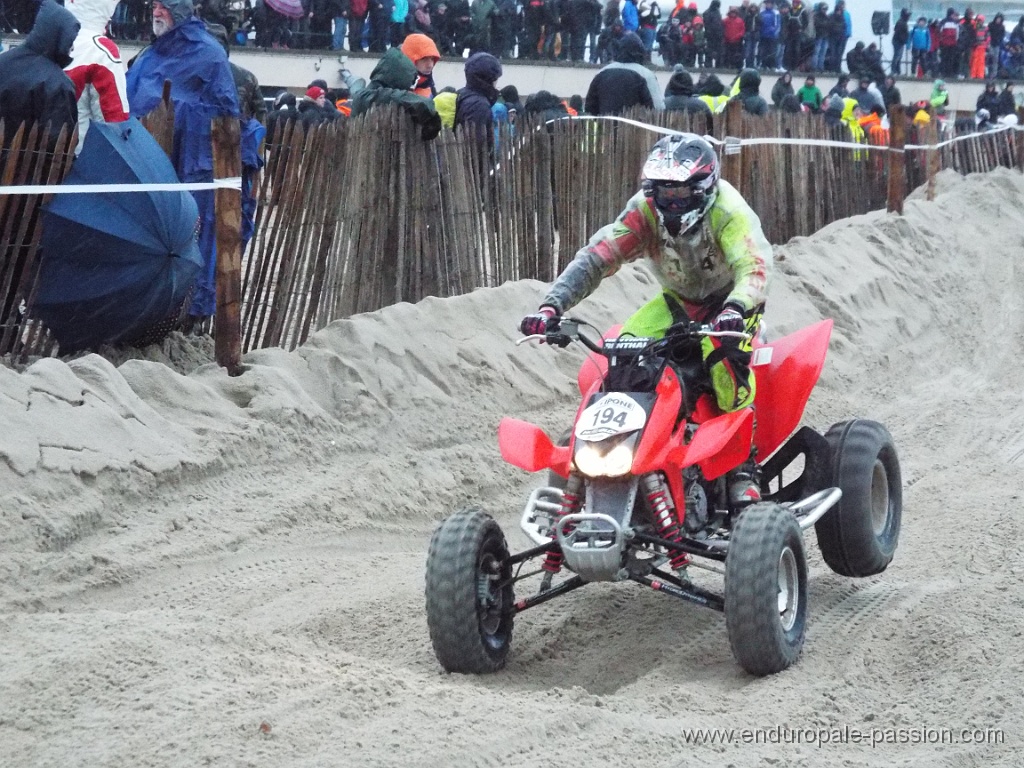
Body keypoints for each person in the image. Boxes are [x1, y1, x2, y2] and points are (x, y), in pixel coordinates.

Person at [518, 133, 772, 547]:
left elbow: (755, 268)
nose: (670, 202)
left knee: (723, 363)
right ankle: (624, 459)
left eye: (679, 192)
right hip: (680, 300)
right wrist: (552, 306)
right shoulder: (644, 213)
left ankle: (744, 469)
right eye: (662, 192)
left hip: (733, 303)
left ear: (703, 188)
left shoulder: (728, 211)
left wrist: (735, 309)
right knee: (623, 352)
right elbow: (599, 256)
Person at [126, 0, 240, 324]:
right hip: (147, 162)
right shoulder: (149, 56)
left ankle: (191, 314)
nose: (156, 11)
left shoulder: (208, 54)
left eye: (164, 6)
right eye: (154, 5)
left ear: (179, 11)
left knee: (193, 237)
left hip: (193, 166)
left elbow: (227, 117)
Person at [0, 0, 78, 147]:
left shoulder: (3, 61)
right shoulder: (58, 84)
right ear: (59, 36)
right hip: (26, 165)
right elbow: (60, 141)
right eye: (71, 40)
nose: (72, 48)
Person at [64, 0, 129, 152]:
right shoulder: (101, 51)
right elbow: (113, 121)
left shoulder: (46, 40)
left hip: (35, 159)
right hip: (80, 160)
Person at [350, 47, 442, 140]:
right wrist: (427, 111)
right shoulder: (363, 97)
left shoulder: (369, 95)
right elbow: (392, 96)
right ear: (399, 78)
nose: (410, 86)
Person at [584, 30, 663, 114]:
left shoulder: (602, 73)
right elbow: (657, 107)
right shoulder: (646, 75)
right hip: (635, 124)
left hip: (605, 123)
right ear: (641, 51)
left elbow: (590, 106)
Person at [454, 51, 501, 142]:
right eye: (496, 77)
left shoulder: (464, 94)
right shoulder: (478, 105)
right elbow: (476, 142)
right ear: (489, 78)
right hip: (474, 155)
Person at [401, 32, 442, 98]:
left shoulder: (430, 89)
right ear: (410, 59)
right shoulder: (391, 90)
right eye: (424, 59)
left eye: (432, 59)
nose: (430, 65)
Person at [890, 7, 910, 75]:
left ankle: (897, 70)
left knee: (898, 57)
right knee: (897, 56)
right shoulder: (901, 22)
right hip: (898, 42)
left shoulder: (902, 22)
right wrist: (903, 40)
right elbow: (899, 32)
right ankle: (894, 70)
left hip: (900, 42)